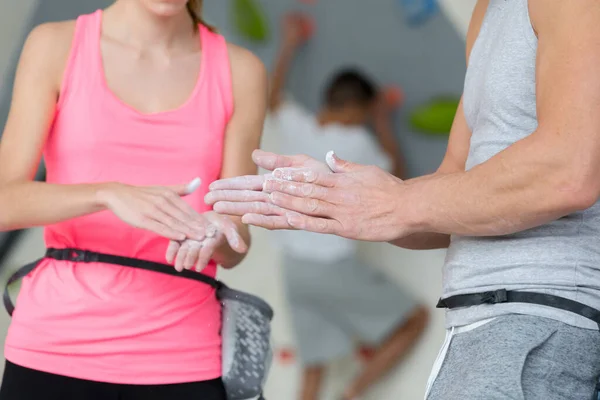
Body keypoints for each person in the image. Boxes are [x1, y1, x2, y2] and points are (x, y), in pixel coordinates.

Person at [206, 0, 600, 399]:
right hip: (472, 323)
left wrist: (392, 202)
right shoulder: (487, 12)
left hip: (541, 314)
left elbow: (569, 172)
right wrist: (346, 205)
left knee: (322, 360)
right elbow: (452, 185)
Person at [0, 0, 267, 398]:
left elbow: (237, 236)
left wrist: (219, 235)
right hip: (55, 348)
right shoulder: (55, 45)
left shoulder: (241, 71)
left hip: (183, 358)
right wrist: (107, 193)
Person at [269, 14, 428, 400]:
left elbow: (271, 94)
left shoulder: (295, 125)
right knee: (415, 319)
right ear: (358, 110)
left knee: (313, 365)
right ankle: (353, 394)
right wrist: (382, 121)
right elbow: (398, 177)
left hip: (291, 266)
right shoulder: (356, 141)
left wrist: (290, 41)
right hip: (328, 265)